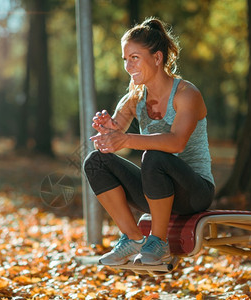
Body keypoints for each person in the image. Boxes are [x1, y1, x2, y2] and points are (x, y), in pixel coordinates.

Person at [83, 17, 215, 266]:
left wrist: (127, 138)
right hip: (155, 192)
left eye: (134, 57)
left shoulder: (187, 94)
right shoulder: (133, 98)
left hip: (194, 192)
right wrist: (107, 132)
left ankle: (158, 242)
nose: (128, 66)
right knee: (95, 162)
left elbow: (176, 143)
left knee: (153, 155)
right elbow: (110, 141)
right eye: (125, 59)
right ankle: (133, 238)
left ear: (157, 58)